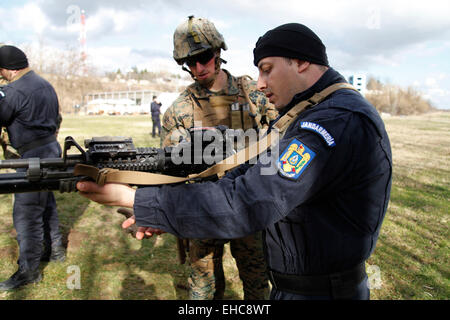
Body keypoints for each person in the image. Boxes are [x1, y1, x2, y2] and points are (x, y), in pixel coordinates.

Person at [77, 23, 392, 300]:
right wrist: (160, 206)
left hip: (317, 288)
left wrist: (137, 200)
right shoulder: (310, 113)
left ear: (301, 61)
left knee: (254, 282)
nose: (261, 83)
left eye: (267, 69)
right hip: (295, 277)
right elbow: (255, 167)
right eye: (258, 71)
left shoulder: (329, 122)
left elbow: (252, 199)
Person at [157, 16, 276, 300]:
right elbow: (169, 167)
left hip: (249, 204)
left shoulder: (252, 95)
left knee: (258, 282)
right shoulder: (179, 109)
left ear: (218, 53)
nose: (199, 68)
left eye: (204, 58)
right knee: (202, 288)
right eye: (190, 62)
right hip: (203, 206)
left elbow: (279, 138)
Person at [0, 45, 66, 291]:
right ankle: (55, 250)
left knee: (27, 213)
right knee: (46, 203)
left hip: (32, 155)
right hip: (50, 149)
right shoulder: (44, 84)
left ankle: (29, 271)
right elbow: (57, 118)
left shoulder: (14, 90)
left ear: (9, 69)